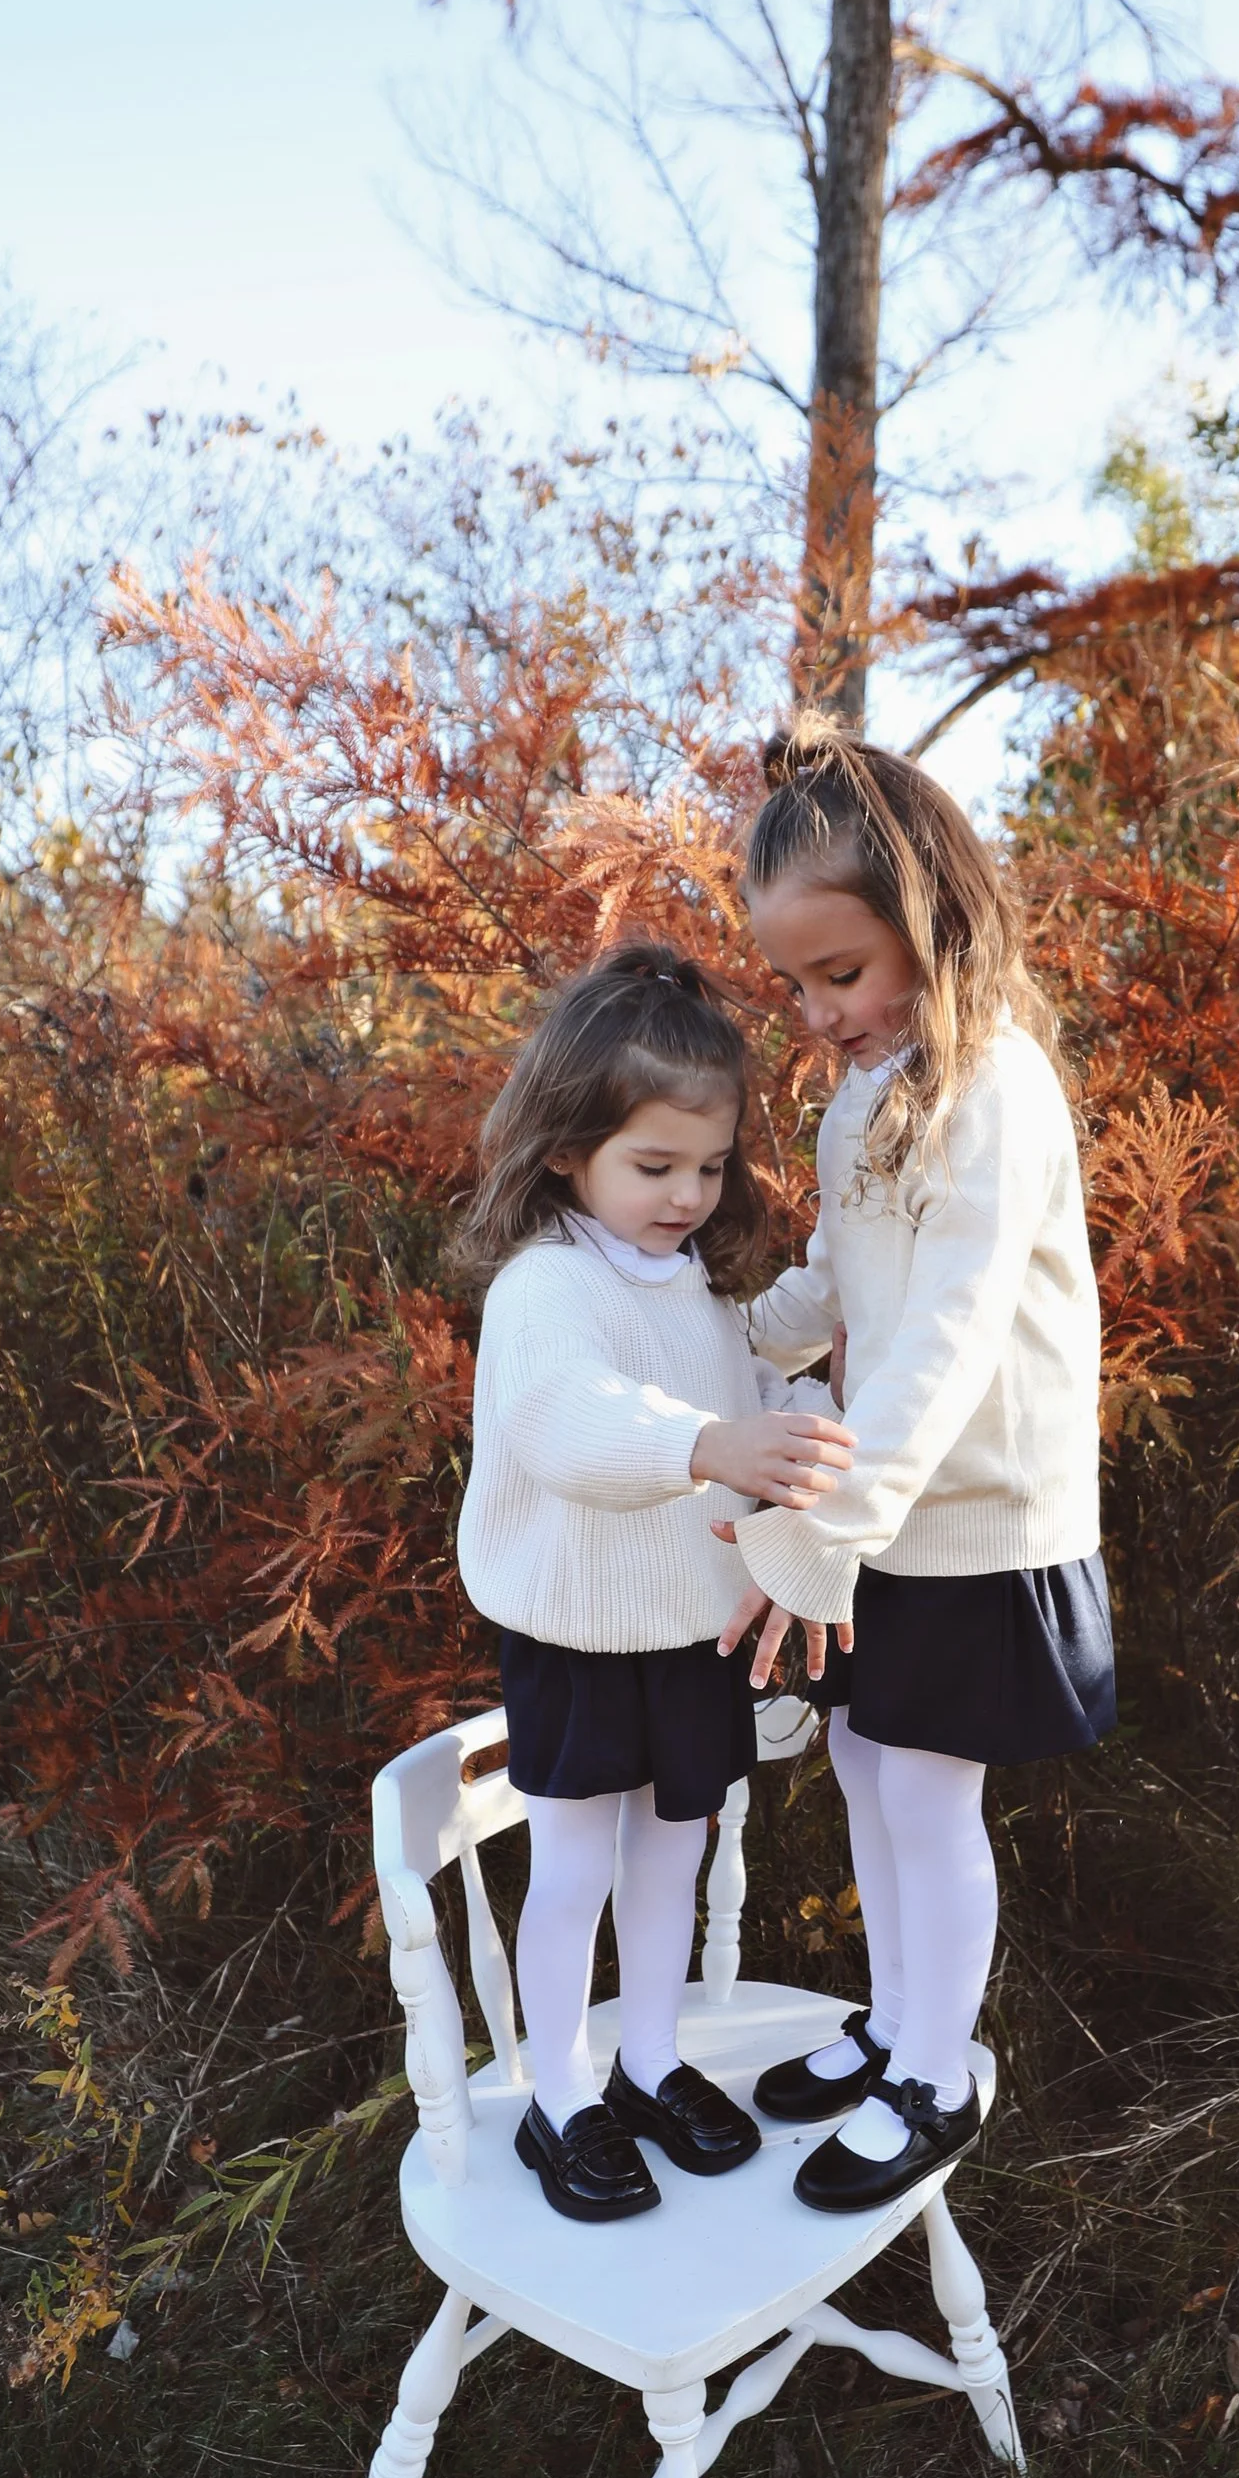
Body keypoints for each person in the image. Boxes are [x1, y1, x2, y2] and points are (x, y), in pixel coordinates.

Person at [723, 720, 1113, 2215]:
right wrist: (738, 1340)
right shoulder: (862, 1094)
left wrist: (828, 1530)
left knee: (928, 1789)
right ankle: (894, 2029)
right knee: (870, 1764)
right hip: (882, 1504)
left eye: (845, 972)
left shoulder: (991, 1089)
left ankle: (938, 2078)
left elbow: (946, 1339)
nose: (821, 1012)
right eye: (797, 984)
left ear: (933, 923)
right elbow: (845, 1272)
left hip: (977, 1512)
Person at [454, 941, 860, 2224]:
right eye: (653, 1166)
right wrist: (707, 1445)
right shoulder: (546, 1289)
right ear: (568, 1150)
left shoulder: (688, 1285)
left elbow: (738, 1395)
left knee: (672, 1854)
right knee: (574, 1867)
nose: (686, 1195)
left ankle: (647, 2061)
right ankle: (559, 2093)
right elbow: (575, 1422)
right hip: (576, 1633)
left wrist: (814, 1415)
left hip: (688, 1629)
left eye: (707, 1167)